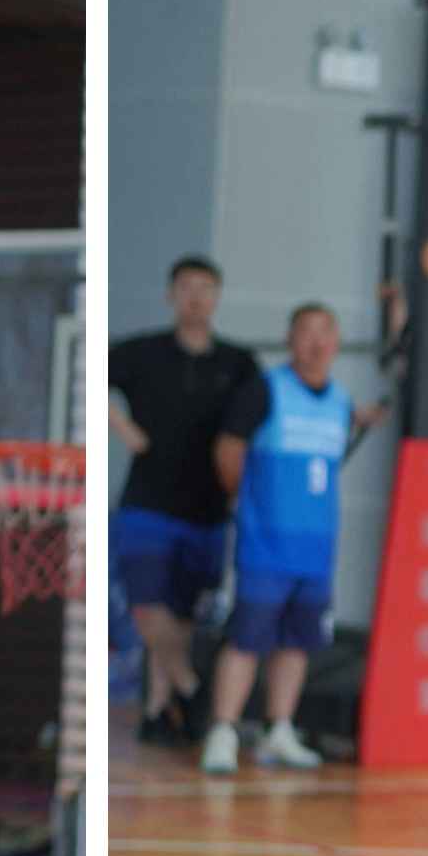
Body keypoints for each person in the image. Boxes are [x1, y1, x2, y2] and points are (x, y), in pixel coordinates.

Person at [207, 299, 388, 776]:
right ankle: (223, 732)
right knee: (246, 639)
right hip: (265, 546)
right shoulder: (264, 390)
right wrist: (245, 502)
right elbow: (228, 450)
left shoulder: (340, 401)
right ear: (290, 340)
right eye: (306, 331)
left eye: (325, 332)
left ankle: (280, 728)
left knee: (298, 643)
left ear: (337, 342)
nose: (316, 342)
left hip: (317, 549)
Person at [111, 257, 261, 751]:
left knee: (182, 616)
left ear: (217, 297)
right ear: (170, 295)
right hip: (148, 503)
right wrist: (123, 427)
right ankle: (194, 692)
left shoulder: (239, 363)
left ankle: (159, 710)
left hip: (209, 508)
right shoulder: (141, 352)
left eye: (205, 289)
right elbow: (87, 368)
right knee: (147, 608)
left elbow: (257, 423)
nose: (196, 298)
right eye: (186, 288)